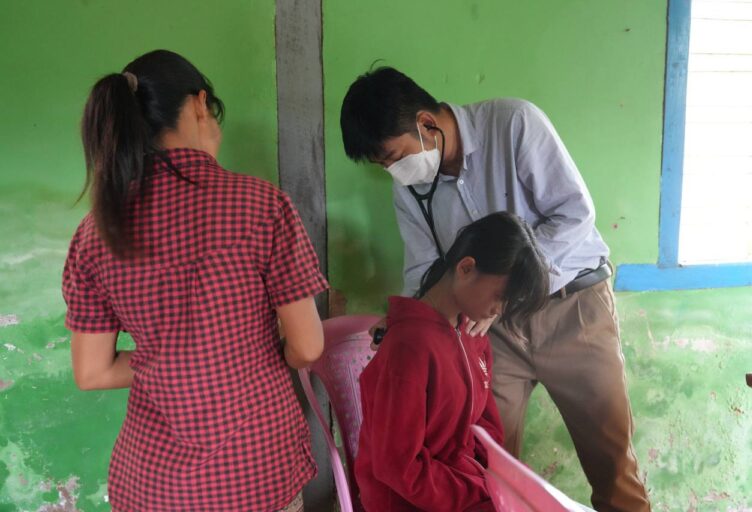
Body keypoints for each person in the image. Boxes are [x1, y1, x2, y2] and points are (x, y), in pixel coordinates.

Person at [341, 67, 650, 512]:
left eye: (394, 156)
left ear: (426, 124)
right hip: (487, 329)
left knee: (612, 464)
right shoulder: (410, 189)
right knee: (491, 462)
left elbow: (574, 215)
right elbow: (424, 270)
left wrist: (506, 287)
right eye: (383, 166)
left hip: (571, 308)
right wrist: (406, 320)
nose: (394, 171)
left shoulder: (513, 124)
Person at [62, 50, 327, 512]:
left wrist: (169, 359)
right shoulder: (260, 205)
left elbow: (92, 372)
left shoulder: (96, 232)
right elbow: (307, 347)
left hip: (151, 486)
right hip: (255, 474)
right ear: (200, 104)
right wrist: (249, 352)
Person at [355, 212, 550, 512]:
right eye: (500, 296)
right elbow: (398, 467)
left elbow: (486, 431)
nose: (499, 311)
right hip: (411, 503)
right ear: (466, 268)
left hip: (461, 487)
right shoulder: (409, 346)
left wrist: (500, 483)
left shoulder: (472, 335)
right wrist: (483, 491)